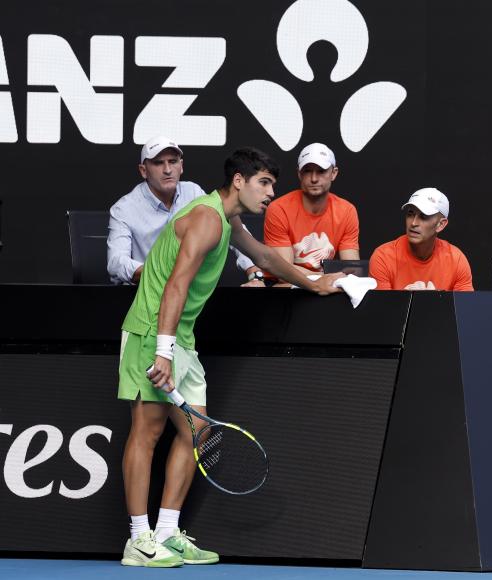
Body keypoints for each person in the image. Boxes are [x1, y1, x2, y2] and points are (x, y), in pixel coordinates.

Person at [118, 147, 343, 568]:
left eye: (273, 184)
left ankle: (167, 532)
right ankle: (138, 539)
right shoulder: (205, 219)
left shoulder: (226, 218)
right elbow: (175, 285)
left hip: (180, 336)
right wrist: (163, 352)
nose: (271, 193)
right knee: (146, 434)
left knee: (196, 434)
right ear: (238, 181)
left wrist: (315, 283)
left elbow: (264, 256)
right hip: (153, 331)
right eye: (264, 183)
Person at [107, 135, 263, 286]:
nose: (167, 170)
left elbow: (233, 230)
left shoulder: (193, 192)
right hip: (144, 292)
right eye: (158, 163)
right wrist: (169, 274)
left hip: (190, 294)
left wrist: (254, 271)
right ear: (143, 170)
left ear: (181, 166)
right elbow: (116, 263)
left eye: (173, 162)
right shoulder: (124, 209)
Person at [263, 142, 359, 282]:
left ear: (334, 173)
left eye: (321, 171)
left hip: (324, 287)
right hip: (285, 288)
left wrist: (328, 281)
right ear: (299, 174)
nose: (314, 179)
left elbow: (351, 269)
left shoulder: (346, 211)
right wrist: (324, 278)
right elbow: (283, 273)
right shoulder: (279, 209)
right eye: (307, 171)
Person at [368, 188, 474, 291]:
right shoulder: (383, 257)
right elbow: (380, 309)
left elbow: (466, 308)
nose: (413, 223)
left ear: (441, 225)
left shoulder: (457, 260)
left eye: (423, 216)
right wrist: (402, 300)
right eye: (410, 214)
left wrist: (433, 302)